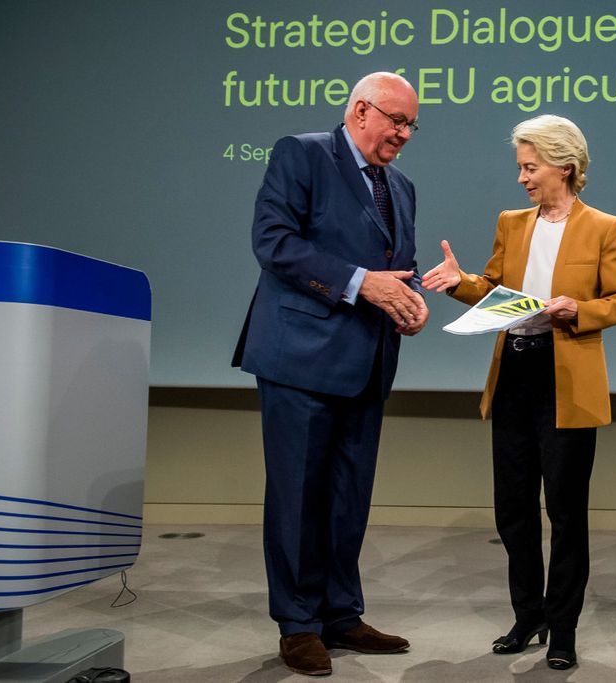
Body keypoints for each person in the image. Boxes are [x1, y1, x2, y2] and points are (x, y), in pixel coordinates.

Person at [231, 71, 428, 677]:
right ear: (361, 111)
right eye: (395, 121)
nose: (403, 134)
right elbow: (274, 243)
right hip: (299, 356)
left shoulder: (402, 186)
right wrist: (360, 283)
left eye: (411, 126)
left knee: (348, 496)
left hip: (367, 360)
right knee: (298, 495)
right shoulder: (302, 153)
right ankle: (298, 624)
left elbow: (394, 265)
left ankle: (341, 613)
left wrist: (409, 300)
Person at [422, 114, 616, 670]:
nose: (522, 178)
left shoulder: (606, 227)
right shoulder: (512, 222)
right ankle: (530, 616)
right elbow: (492, 289)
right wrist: (459, 282)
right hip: (515, 373)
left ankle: (562, 627)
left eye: (530, 166)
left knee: (566, 513)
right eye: (520, 166)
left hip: (566, 378)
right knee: (513, 511)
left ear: (563, 166)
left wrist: (577, 310)